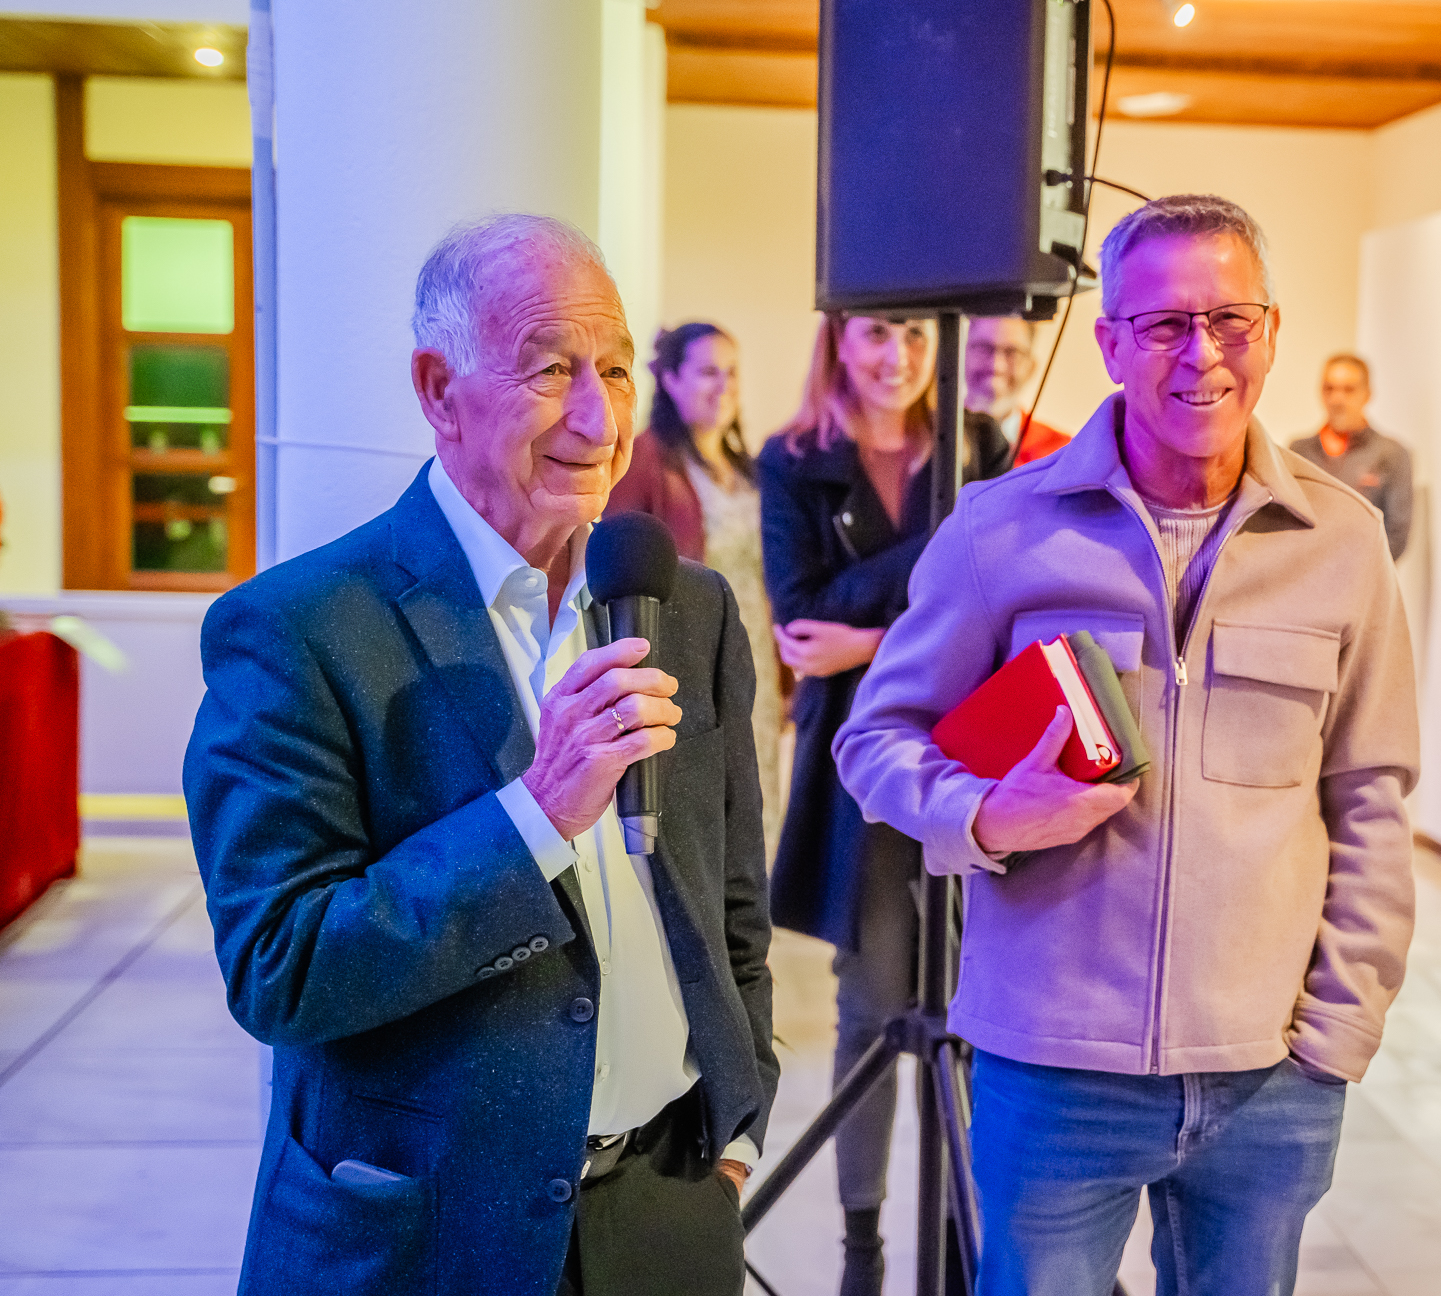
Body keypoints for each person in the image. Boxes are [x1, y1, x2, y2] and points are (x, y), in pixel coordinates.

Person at [835, 193, 1420, 1295]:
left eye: (1230, 320)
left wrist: (1339, 1026)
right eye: (1163, 325)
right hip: (1051, 1073)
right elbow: (876, 739)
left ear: (1270, 332)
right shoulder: (1002, 527)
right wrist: (985, 815)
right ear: (1108, 342)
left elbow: (1371, 797)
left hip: (1267, 1078)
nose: (1202, 354)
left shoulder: (1342, 540)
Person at [183, 215, 776, 1296]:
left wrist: (738, 1119)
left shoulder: (685, 607)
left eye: (615, 370)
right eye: (551, 370)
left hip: (669, 1211)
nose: (600, 418)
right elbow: (281, 967)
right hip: (424, 1234)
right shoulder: (298, 628)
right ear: (438, 389)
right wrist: (536, 815)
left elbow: (729, 894)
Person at [756, 312, 1007, 1296]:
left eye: (913, 334)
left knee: (976, 1012)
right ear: (836, 340)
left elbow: (996, 600)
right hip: (861, 765)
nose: (897, 356)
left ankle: (964, 1234)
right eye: (874, 335)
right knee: (870, 1008)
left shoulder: (976, 442)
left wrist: (867, 640)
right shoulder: (794, 459)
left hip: (974, 748)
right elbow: (799, 615)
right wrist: (941, 551)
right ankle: (861, 1249)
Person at [606, 320, 784, 849]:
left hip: (757, 655)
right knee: (704, 805)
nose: (723, 386)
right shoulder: (644, 461)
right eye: (708, 372)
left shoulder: (749, 469)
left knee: (759, 796)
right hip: (690, 656)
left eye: (732, 372)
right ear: (672, 380)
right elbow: (617, 564)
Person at [1288, 352, 1413, 559]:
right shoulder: (1298, 452)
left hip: (1367, 573)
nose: (1337, 399)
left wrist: (1353, 573)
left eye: (1349, 389)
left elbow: (1396, 536)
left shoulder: (1392, 454)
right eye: (1329, 389)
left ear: (1367, 394)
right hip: (1307, 572)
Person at [965, 315, 1068, 465]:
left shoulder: (1061, 453)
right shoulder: (930, 439)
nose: (996, 366)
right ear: (961, 355)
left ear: (1030, 368)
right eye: (983, 348)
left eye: (1012, 352)